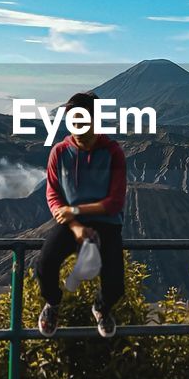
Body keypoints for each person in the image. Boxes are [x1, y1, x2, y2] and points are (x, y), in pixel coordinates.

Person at [36, 91, 127, 338]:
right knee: (45, 264)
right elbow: (53, 194)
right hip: (71, 223)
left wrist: (75, 210)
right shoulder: (59, 152)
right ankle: (53, 304)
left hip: (106, 222)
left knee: (115, 285)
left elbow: (114, 202)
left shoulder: (112, 152)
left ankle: (101, 306)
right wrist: (75, 225)